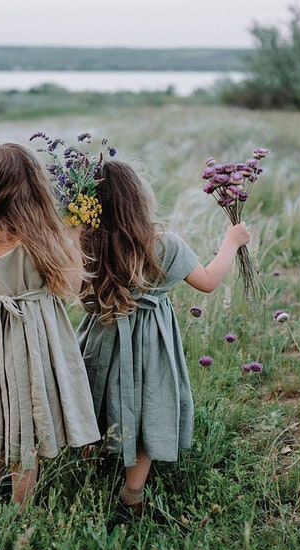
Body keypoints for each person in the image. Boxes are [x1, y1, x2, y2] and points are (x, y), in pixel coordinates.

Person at [77, 160, 250, 516]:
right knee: (145, 409)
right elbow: (208, 282)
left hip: (101, 339)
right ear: (139, 200)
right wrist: (231, 243)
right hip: (149, 348)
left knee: (97, 398)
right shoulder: (166, 246)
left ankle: (87, 468)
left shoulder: (86, 245)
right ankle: (132, 494)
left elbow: (75, 291)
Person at [0, 142, 100, 507]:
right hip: (40, 337)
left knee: (7, 399)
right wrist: (77, 236)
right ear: (33, 188)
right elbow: (72, 286)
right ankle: (20, 515)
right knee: (33, 408)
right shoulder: (44, 240)